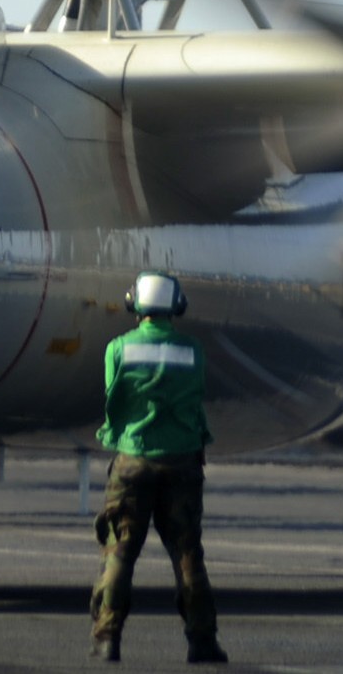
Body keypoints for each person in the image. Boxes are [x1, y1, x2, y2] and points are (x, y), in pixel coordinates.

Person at [89, 272, 227, 664]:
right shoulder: (192, 350)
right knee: (187, 555)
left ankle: (107, 639)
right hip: (183, 460)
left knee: (119, 552)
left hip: (133, 460)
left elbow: (112, 401)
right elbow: (196, 397)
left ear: (136, 303)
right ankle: (202, 642)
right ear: (176, 305)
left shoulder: (119, 348)